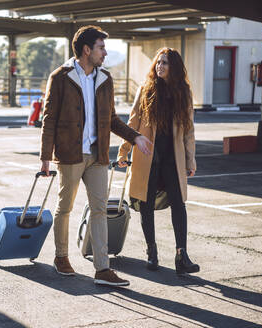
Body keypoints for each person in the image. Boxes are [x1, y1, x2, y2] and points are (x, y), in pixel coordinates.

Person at [40, 25, 152, 286]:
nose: (105, 53)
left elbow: (112, 119)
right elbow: (49, 119)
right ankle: (61, 257)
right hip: (70, 154)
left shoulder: (105, 79)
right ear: (87, 50)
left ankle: (102, 269)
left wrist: (134, 136)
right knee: (64, 207)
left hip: (97, 154)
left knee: (99, 210)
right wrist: (45, 157)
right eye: (101, 48)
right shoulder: (61, 77)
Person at [117, 47, 200, 275]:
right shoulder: (146, 89)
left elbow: (189, 130)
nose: (160, 66)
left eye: (165, 63)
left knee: (179, 205)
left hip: (172, 159)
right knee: (146, 204)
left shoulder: (183, 92)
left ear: (174, 67)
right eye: (158, 62)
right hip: (147, 157)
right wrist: (123, 151)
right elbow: (133, 122)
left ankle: (181, 255)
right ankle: (151, 252)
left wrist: (190, 160)